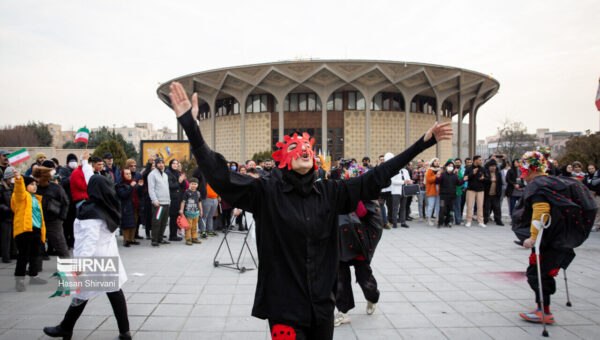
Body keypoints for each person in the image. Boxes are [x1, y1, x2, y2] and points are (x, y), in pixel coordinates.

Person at [168, 81, 452, 339]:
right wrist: (190, 127)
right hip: (283, 309)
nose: (303, 149)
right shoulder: (266, 193)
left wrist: (423, 143)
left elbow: (376, 177)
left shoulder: (331, 193)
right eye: (295, 146)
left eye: (307, 146)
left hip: (321, 307)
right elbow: (219, 174)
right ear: (283, 159)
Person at [43, 161, 131, 340]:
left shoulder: (91, 213)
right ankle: (124, 332)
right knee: (112, 292)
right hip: (106, 258)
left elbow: (89, 241)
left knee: (82, 292)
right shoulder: (108, 206)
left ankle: (66, 328)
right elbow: (94, 180)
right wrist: (85, 164)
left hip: (93, 260)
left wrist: (80, 263)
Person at [516, 151, 596, 325]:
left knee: (536, 274)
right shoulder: (556, 181)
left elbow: (541, 211)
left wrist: (532, 237)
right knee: (544, 272)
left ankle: (544, 311)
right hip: (562, 236)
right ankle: (543, 308)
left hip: (548, 239)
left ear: (529, 169)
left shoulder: (537, 186)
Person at [332, 167, 382, 327]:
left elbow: (366, 214)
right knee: (340, 280)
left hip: (358, 244)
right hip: (340, 243)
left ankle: (372, 298)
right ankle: (343, 311)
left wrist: (353, 198)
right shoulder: (335, 193)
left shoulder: (366, 197)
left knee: (364, 277)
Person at [11, 170, 47, 291]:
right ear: (25, 185)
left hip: (36, 229)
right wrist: (18, 179)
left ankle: (33, 276)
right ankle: (19, 280)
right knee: (23, 256)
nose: (34, 186)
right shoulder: (20, 196)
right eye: (31, 184)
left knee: (35, 255)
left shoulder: (36, 198)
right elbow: (20, 190)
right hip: (24, 230)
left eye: (35, 184)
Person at [33, 160, 70, 258]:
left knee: (60, 245)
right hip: (38, 220)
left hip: (53, 221)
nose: (35, 179)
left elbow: (65, 203)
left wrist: (61, 218)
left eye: (38, 176)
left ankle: (67, 265)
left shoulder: (56, 188)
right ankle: (35, 268)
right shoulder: (34, 188)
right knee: (36, 247)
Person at [147, 158, 171, 247]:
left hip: (166, 203)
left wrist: (169, 200)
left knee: (164, 222)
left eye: (162, 163)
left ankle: (160, 238)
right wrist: (154, 200)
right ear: (156, 164)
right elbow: (151, 189)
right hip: (159, 204)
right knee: (157, 221)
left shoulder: (165, 175)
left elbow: (167, 188)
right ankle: (154, 240)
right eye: (159, 163)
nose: (161, 164)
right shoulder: (152, 175)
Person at [116, 168, 140, 247]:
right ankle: (126, 240)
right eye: (126, 174)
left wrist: (140, 186)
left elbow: (140, 193)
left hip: (134, 205)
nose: (129, 175)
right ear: (123, 175)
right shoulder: (120, 184)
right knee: (126, 223)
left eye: (129, 173)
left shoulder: (133, 182)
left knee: (134, 223)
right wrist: (130, 187)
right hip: (125, 206)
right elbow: (123, 195)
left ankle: (132, 239)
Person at [435, 161, 462, 228]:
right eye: (449, 166)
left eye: (452, 166)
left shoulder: (455, 175)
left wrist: (464, 180)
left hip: (452, 196)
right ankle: (440, 222)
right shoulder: (443, 174)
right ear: (446, 167)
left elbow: (458, 183)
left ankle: (448, 221)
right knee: (442, 209)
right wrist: (437, 176)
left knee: (450, 209)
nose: (450, 167)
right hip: (443, 196)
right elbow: (437, 181)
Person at [464, 155, 487, 227]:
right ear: (475, 160)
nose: (481, 161)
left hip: (480, 190)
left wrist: (483, 179)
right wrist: (472, 173)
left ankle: (480, 221)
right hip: (471, 189)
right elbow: (465, 178)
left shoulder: (483, 169)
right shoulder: (469, 168)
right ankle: (468, 220)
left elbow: (487, 178)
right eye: (479, 160)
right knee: (469, 206)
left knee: (480, 206)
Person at [0, 167, 18, 263]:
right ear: (8, 177)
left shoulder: (14, 187)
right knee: (6, 238)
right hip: (5, 216)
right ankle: (6, 256)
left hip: (14, 215)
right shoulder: (2, 187)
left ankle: (13, 253)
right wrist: (7, 209)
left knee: (13, 237)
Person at [165, 159, 186, 241]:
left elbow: (183, 185)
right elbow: (171, 186)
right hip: (172, 198)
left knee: (176, 217)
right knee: (173, 217)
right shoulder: (168, 173)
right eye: (173, 163)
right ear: (170, 164)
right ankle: (172, 235)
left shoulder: (177, 173)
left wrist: (182, 179)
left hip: (178, 198)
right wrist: (179, 181)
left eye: (177, 164)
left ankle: (174, 234)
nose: (175, 165)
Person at [179, 177, 203, 245]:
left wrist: (201, 211)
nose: (193, 185)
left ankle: (194, 237)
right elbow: (183, 202)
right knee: (188, 226)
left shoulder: (198, 193)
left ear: (197, 185)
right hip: (188, 213)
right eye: (192, 184)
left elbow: (199, 202)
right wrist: (181, 209)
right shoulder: (186, 192)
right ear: (189, 184)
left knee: (195, 226)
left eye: (195, 184)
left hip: (196, 213)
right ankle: (188, 239)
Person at [483, 159, 504, 226]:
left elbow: (500, 183)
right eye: (492, 166)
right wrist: (490, 180)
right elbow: (483, 181)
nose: (493, 167)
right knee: (486, 207)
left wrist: (500, 193)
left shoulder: (498, 173)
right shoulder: (486, 172)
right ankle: (485, 219)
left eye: (494, 166)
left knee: (497, 208)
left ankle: (498, 220)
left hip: (496, 193)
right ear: (489, 166)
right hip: (487, 193)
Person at [425, 158, 441, 226]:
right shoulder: (429, 170)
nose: (437, 162)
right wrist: (436, 175)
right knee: (431, 206)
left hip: (439, 190)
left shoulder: (440, 170)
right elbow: (429, 180)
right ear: (432, 163)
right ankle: (429, 220)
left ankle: (437, 219)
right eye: (435, 161)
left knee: (438, 206)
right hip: (431, 191)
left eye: (438, 161)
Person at [584, 164, 600, 231]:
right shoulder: (588, 177)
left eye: (592, 168)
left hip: (597, 194)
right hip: (593, 195)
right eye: (589, 169)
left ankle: (597, 225)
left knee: (598, 209)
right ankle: (594, 224)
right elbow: (588, 184)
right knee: (595, 209)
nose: (591, 170)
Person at [453, 158, 465, 225]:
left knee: (458, 206)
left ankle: (458, 220)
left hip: (458, 191)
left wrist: (457, 173)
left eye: (458, 162)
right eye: (456, 162)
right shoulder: (451, 170)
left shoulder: (459, 171)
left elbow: (461, 179)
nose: (457, 163)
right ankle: (451, 220)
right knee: (451, 207)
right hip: (451, 191)